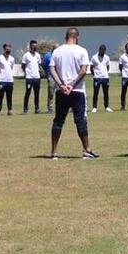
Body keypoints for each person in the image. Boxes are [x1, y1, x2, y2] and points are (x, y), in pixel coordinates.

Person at [48, 27, 98, 160]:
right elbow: (83, 70)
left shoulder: (57, 51)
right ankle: (87, 150)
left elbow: (52, 69)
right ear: (77, 37)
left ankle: (54, 151)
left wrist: (61, 85)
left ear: (66, 37)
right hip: (77, 91)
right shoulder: (82, 50)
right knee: (80, 120)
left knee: (58, 120)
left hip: (61, 91)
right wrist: (72, 85)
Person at [21, 40, 43, 114]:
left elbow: (39, 65)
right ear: (30, 46)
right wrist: (26, 73)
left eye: (36, 46)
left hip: (37, 77)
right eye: (33, 46)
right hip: (29, 77)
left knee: (37, 93)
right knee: (28, 92)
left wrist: (40, 72)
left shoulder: (38, 55)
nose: (35, 47)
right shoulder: (26, 55)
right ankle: (25, 109)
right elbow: (23, 66)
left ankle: (37, 108)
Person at [0, 44, 15, 116]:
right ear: (4, 49)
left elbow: (11, 68)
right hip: (2, 80)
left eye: (9, 49)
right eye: (7, 49)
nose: (8, 50)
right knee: (1, 96)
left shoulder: (12, 59)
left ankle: (10, 110)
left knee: (9, 96)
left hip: (10, 80)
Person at [90, 45, 112, 113]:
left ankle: (107, 107)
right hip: (97, 78)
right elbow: (91, 68)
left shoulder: (107, 57)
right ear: (99, 50)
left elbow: (108, 67)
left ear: (105, 51)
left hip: (105, 78)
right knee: (96, 93)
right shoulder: (94, 57)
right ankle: (94, 107)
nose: (102, 52)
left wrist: (105, 73)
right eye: (101, 50)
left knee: (106, 93)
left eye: (104, 51)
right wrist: (95, 74)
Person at [41, 46, 55, 113]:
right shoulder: (47, 56)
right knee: (51, 93)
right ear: (53, 49)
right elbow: (43, 64)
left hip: (59, 77)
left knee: (61, 93)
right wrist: (47, 72)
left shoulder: (59, 54)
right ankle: (50, 108)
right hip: (51, 77)